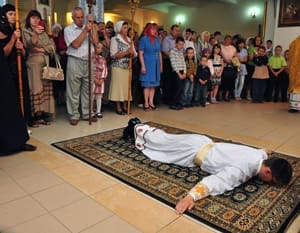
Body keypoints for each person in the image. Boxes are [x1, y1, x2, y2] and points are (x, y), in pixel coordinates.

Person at [130, 121, 293, 215]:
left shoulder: (261, 157)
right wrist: (191, 197)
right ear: (268, 171)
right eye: (271, 181)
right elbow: (217, 181)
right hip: (192, 151)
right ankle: (136, 127)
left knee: (165, 141)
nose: (269, 183)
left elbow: (262, 152)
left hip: (201, 142)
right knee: (161, 144)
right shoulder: (244, 169)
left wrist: (266, 150)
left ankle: (140, 130)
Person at [0, 6, 36, 155]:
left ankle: (20, 140)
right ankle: (9, 143)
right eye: (10, 14)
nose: (13, 16)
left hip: (18, 70)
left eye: (15, 14)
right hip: (5, 72)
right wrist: (13, 39)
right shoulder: (2, 30)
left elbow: (23, 52)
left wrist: (21, 48)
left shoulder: (15, 29)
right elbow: (3, 53)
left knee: (18, 104)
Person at [64, 7, 99, 125]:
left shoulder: (89, 26)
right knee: (73, 90)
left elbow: (95, 42)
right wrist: (85, 31)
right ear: (72, 18)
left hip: (89, 61)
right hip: (75, 60)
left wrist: (92, 25)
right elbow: (75, 44)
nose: (80, 20)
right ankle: (74, 114)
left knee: (88, 89)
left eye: (81, 17)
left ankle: (87, 113)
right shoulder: (68, 30)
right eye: (77, 17)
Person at [22, 10, 55, 126]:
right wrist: (35, 34)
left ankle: (42, 115)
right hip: (33, 64)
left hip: (45, 64)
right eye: (33, 18)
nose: (35, 20)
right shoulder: (25, 31)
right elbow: (30, 46)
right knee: (36, 89)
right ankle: (34, 116)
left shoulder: (43, 32)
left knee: (45, 89)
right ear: (29, 19)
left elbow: (51, 47)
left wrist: (43, 49)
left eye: (37, 18)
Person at [108, 20, 137, 115]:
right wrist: (126, 52)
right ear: (119, 29)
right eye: (124, 28)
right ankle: (118, 106)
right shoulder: (115, 39)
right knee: (118, 87)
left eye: (127, 28)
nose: (126, 29)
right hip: (118, 67)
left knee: (126, 87)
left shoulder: (130, 40)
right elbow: (113, 55)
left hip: (127, 67)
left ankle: (125, 105)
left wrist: (132, 53)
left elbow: (134, 54)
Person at [138, 23, 162, 111]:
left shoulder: (157, 40)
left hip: (155, 63)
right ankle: (146, 103)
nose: (154, 31)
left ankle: (151, 102)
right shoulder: (144, 39)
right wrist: (143, 66)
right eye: (152, 29)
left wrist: (161, 65)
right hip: (147, 62)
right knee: (147, 85)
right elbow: (140, 54)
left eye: (155, 29)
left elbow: (159, 53)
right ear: (148, 29)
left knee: (153, 85)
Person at [161, 24, 181, 105]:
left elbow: (182, 50)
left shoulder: (179, 40)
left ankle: (174, 99)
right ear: (171, 31)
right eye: (176, 30)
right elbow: (165, 51)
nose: (178, 32)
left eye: (179, 30)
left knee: (175, 82)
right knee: (168, 82)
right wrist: (175, 57)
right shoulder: (167, 39)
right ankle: (167, 100)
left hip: (178, 62)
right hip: (168, 62)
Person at [50, 23, 67, 106]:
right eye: (55, 28)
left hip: (63, 60)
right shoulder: (51, 37)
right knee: (55, 80)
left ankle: (62, 98)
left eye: (58, 28)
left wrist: (64, 51)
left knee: (62, 80)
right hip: (54, 61)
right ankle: (56, 99)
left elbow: (65, 47)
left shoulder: (62, 37)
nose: (57, 30)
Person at [169, 36, 186, 110]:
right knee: (177, 88)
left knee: (181, 88)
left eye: (182, 44)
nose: (181, 46)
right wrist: (179, 73)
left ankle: (178, 102)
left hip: (182, 71)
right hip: (176, 72)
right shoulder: (172, 51)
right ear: (176, 44)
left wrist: (185, 73)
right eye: (179, 44)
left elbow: (183, 62)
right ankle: (173, 103)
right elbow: (173, 63)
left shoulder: (181, 52)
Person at [92, 42, 107, 118]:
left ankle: (98, 111)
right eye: (98, 47)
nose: (99, 49)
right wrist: (94, 78)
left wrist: (102, 78)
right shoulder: (91, 58)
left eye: (101, 48)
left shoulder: (103, 59)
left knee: (99, 96)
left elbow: (105, 69)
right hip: (93, 79)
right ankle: (91, 111)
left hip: (100, 80)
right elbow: (90, 69)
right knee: (92, 96)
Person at [220, 35, 237, 101]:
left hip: (231, 66)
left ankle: (227, 96)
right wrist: (225, 60)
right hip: (223, 66)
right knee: (223, 82)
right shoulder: (221, 46)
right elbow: (220, 54)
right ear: (225, 39)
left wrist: (231, 61)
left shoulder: (233, 47)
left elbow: (235, 56)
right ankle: (220, 95)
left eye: (230, 39)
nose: (228, 40)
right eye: (227, 39)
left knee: (230, 82)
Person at [288, 35, 300, 113]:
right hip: (296, 69)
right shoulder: (295, 41)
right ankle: (294, 107)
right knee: (295, 88)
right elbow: (291, 50)